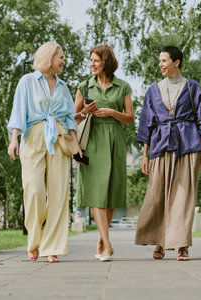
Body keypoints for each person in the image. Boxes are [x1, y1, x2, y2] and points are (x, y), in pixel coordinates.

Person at [7, 42, 82, 263]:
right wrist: (13, 141)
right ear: (49, 57)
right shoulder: (27, 81)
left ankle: (53, 247)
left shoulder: (63, 86)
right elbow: (18, 113)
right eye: (61, 57)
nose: (63, 61)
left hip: (59, 137)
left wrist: (76, 146)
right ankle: (34, 239)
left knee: (59, 194)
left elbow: (70, 118)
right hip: (33, 136)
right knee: (34, 191)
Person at [135, 46, 201, 261]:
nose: (160, 64)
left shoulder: (192, 86)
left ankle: (182, 245)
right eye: (159, 60)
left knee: (183, 196)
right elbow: (146, 124)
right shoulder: (153, 89)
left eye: (164, 60)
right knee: (158, 195)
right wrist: (144, 155)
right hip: (160, 145)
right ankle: (160, 240)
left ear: (176, 62)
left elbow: (200, 120)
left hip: (188, 144)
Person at [74, 44, 134, 262]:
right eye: (90, 60)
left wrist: (112, 112)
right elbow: (73, 118)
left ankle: (101, 238)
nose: (92, 64)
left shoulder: (123, 86)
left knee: (111, 193)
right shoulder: (84, 86)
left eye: (96, 60)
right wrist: (84, 111)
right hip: (93, 140)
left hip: (115, 141)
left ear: (106, 62)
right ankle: (108, 245)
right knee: (97, 192)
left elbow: (130, 117)